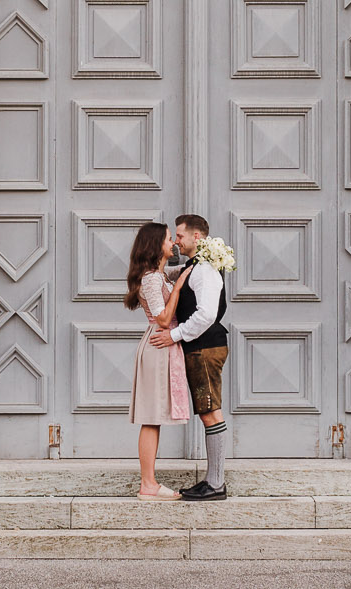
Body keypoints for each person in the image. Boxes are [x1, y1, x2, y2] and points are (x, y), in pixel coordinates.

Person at [152, 213, 229, 501]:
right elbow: (168, 276)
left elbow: (207, 314)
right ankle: (213, 480)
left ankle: (216, 483)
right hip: (200, 349)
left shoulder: (205, 268)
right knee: (207, 409)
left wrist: (173, 335)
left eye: (179, 236)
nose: (176, 242)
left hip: (205, 349)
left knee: (210, 411)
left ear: (197, 237)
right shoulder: (194, 266)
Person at [123, 220, 189, 500]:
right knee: (151, 418)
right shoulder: (151, 279)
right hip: (157, 346)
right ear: (156, 246)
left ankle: (149, 482)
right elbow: (162, 318)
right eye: (168, 239)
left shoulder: (159, 275)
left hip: (162, 347)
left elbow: (186, 269)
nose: (173, 242)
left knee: (155, 418)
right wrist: (177, 289)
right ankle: (148, 484)